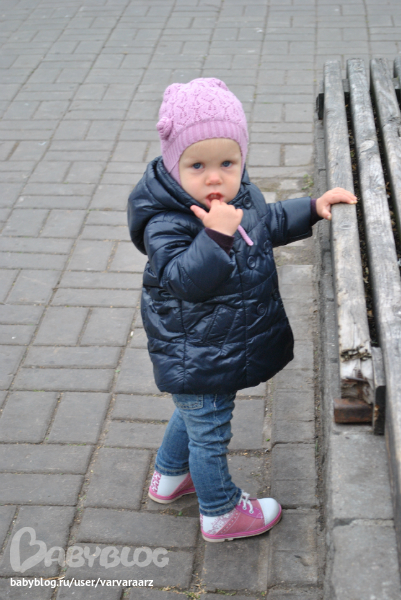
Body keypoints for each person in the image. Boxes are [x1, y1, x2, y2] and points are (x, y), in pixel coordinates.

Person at [127, 78, 356, 542]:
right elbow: (183, 279)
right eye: (197, 165)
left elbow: (266, 223)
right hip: (195, 348)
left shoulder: (237, 197)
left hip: (216, 346)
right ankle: (220, 512)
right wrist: (216, 236)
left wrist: (313, 207)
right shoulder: (166, 219)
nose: (215, 178)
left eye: (227, 163)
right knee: (209, 429)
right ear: (172, 165)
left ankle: (169, 477)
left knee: (195, 411)